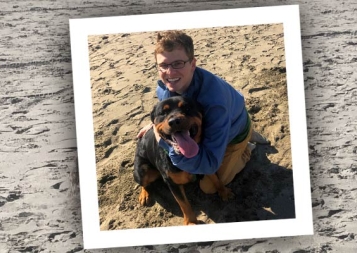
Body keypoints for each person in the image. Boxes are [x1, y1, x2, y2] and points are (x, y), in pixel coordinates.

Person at [137, 30, 255, 194]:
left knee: (209, 187)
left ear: (192, 64)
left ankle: (246, 147)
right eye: (163, 65)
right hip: (219, 121)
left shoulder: (214, 103)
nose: (170, 73)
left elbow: (209, 165)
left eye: (178, 63)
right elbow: (168, 110)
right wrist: (154, 124)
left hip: (233, 129)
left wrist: (160, 139)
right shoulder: (165, 87)